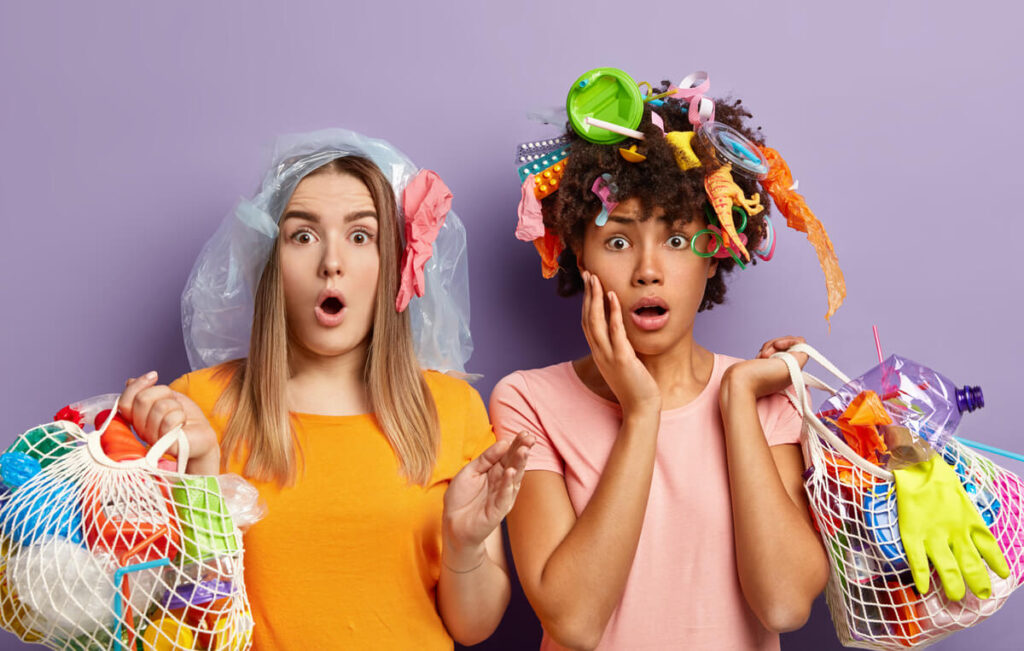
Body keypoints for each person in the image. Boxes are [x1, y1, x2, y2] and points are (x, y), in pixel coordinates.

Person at [116, 129, 533, 649]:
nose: (331, 262)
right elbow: (158, 615)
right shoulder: (198, 408)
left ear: (394, 265)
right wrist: (182, 469)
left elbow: (474, 628)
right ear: (270, 263)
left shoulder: (452, 410)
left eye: (362, 236)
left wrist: (464, 546)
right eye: (302, 235)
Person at [490, 70, 835, 650]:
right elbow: (573, 623)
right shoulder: (528, 402)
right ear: (580, 253)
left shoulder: (764, 397)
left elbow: (782, 602)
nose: (648, 270)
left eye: (676, 240)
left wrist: (740, 400)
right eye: (619, 241)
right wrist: (641, 410)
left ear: (717, 254)